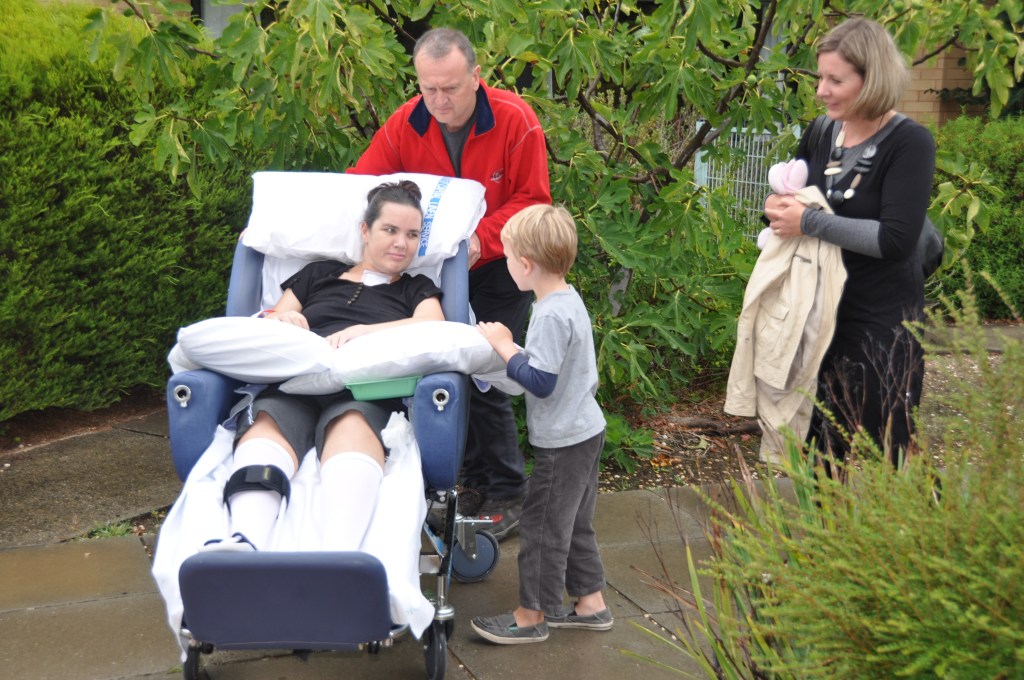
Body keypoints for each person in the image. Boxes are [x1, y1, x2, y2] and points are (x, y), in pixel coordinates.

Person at [350, 27, 551, 539]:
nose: (439, 101)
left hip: (504, 264)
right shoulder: (406, 123)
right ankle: (474, 484)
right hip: (439, 272)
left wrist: (482, 237)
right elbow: (363, 185)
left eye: (451, 88)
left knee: (484, 369)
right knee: (445, 372)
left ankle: (508, 491)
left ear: (476, 77)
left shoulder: (515, 119)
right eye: (429, 89)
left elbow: (534, 199)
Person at [203, 180, 444, 551]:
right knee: (267, 426)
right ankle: (244, 541)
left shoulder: (415, 288)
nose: (401, 243)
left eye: (412, 235)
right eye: (390, 230)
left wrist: (363, 333)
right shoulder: (319, 274)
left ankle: (339, 554)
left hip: (362, 392)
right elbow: (272, 319)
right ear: (365, 231)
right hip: (296, 384)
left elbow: (433, 326)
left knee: (353, 425)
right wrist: (283, 320)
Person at [762, 18, 935, 466]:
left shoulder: (910, 143)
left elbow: (895, 239)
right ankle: (825, 516)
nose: (821, 90)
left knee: (891, 455)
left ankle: (913, 515)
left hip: (882, 329)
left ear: (871, 78)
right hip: (820, 319)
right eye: (820, 77)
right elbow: (792, 197)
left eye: (835, 80)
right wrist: (777, 209)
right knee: (821, 456)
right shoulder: (822, 132)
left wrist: (809, 221)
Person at [470, 204, 611, 644]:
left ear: (526, 264)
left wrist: (503, 345)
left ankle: (531, 616)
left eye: (508, 257)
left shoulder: (548, 314)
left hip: (563, 441)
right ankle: (591, 604)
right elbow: (542, 369)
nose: (507, 265)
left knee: (543, 528)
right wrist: (502, 365)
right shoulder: (566, 299)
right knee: (575, 523)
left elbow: (540, 382)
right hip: (585, 430)